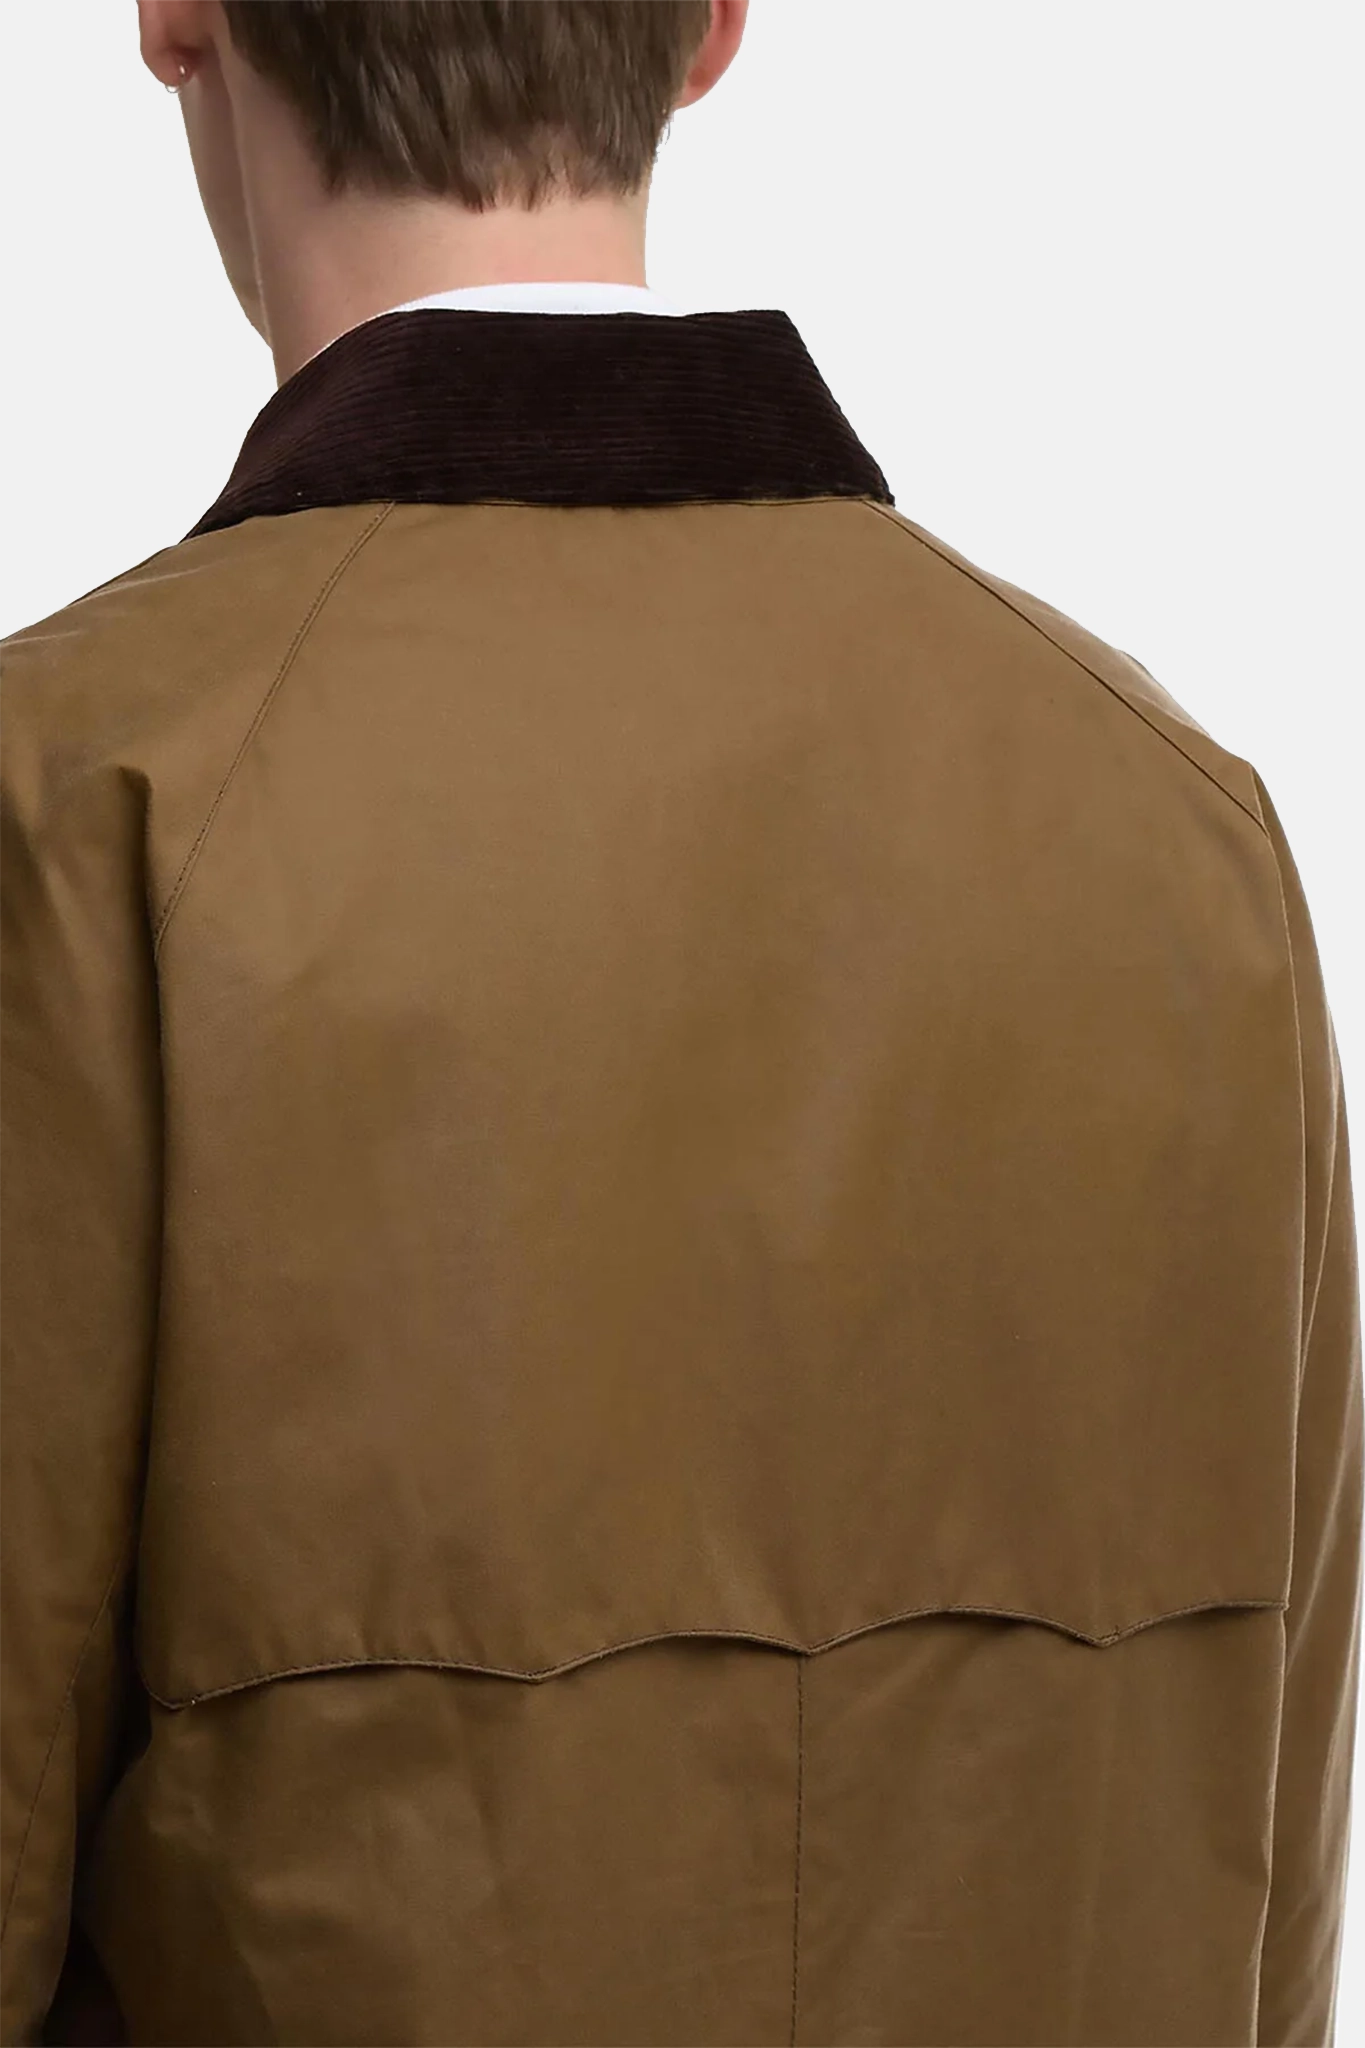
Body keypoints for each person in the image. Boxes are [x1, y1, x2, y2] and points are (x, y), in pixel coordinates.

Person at [1, 2, 1358, 2042]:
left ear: (177, 16)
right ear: (714, 26)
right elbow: (1271, 1911)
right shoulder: (1179, 826)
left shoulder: (71, 810)